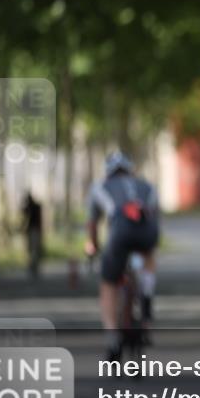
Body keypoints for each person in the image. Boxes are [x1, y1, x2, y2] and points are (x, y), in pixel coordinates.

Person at [84, 151, 160, 361]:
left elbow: (92, 224)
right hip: (147, 233)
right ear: (130, 170)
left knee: (108, 283)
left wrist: (92, 245)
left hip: (120, 235)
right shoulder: (148, 186)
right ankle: (146, 296)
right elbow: (155, 217)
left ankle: (112, 336)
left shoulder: (100, 187)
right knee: (149, 257)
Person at [21, 191, 43, 278]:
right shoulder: (35, 207)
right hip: (33, 230)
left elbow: (24, 213)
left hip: (34, 230)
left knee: (33, 249)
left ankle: (33, 265)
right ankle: (33, 265)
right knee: (32, 249)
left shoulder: (34, 207)